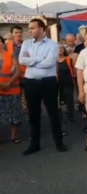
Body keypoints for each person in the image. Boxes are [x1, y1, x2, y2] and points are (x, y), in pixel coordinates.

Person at [18, 18, 67, 155]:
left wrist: (31, 61)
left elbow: (50, 62)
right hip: (31, 83)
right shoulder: (26, 44)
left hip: (48, 82)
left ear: (41, 29)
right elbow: (22, 60)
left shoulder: (52, 45)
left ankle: (59, 142)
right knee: (34, 115)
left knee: (53, 113)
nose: (29, 31)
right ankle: (34, 144)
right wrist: (40, 59)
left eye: (32, 28)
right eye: (29, 28)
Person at [0, 36, 24, 144]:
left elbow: (18, 71)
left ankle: (14, 135)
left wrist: (8, 83)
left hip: (12, 88)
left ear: (3, 43)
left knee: (15, 113)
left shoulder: (11, 54)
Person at [57, 42, 75, 123]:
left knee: (69, 101)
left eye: (61, 48)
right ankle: (59, 117)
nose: (60, 50)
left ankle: (71, 117)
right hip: (56, 84)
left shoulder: (68, 59)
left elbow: (74, 70)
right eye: (58, 48)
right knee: (57, 102)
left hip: (67, 83)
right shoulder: (53, 61)